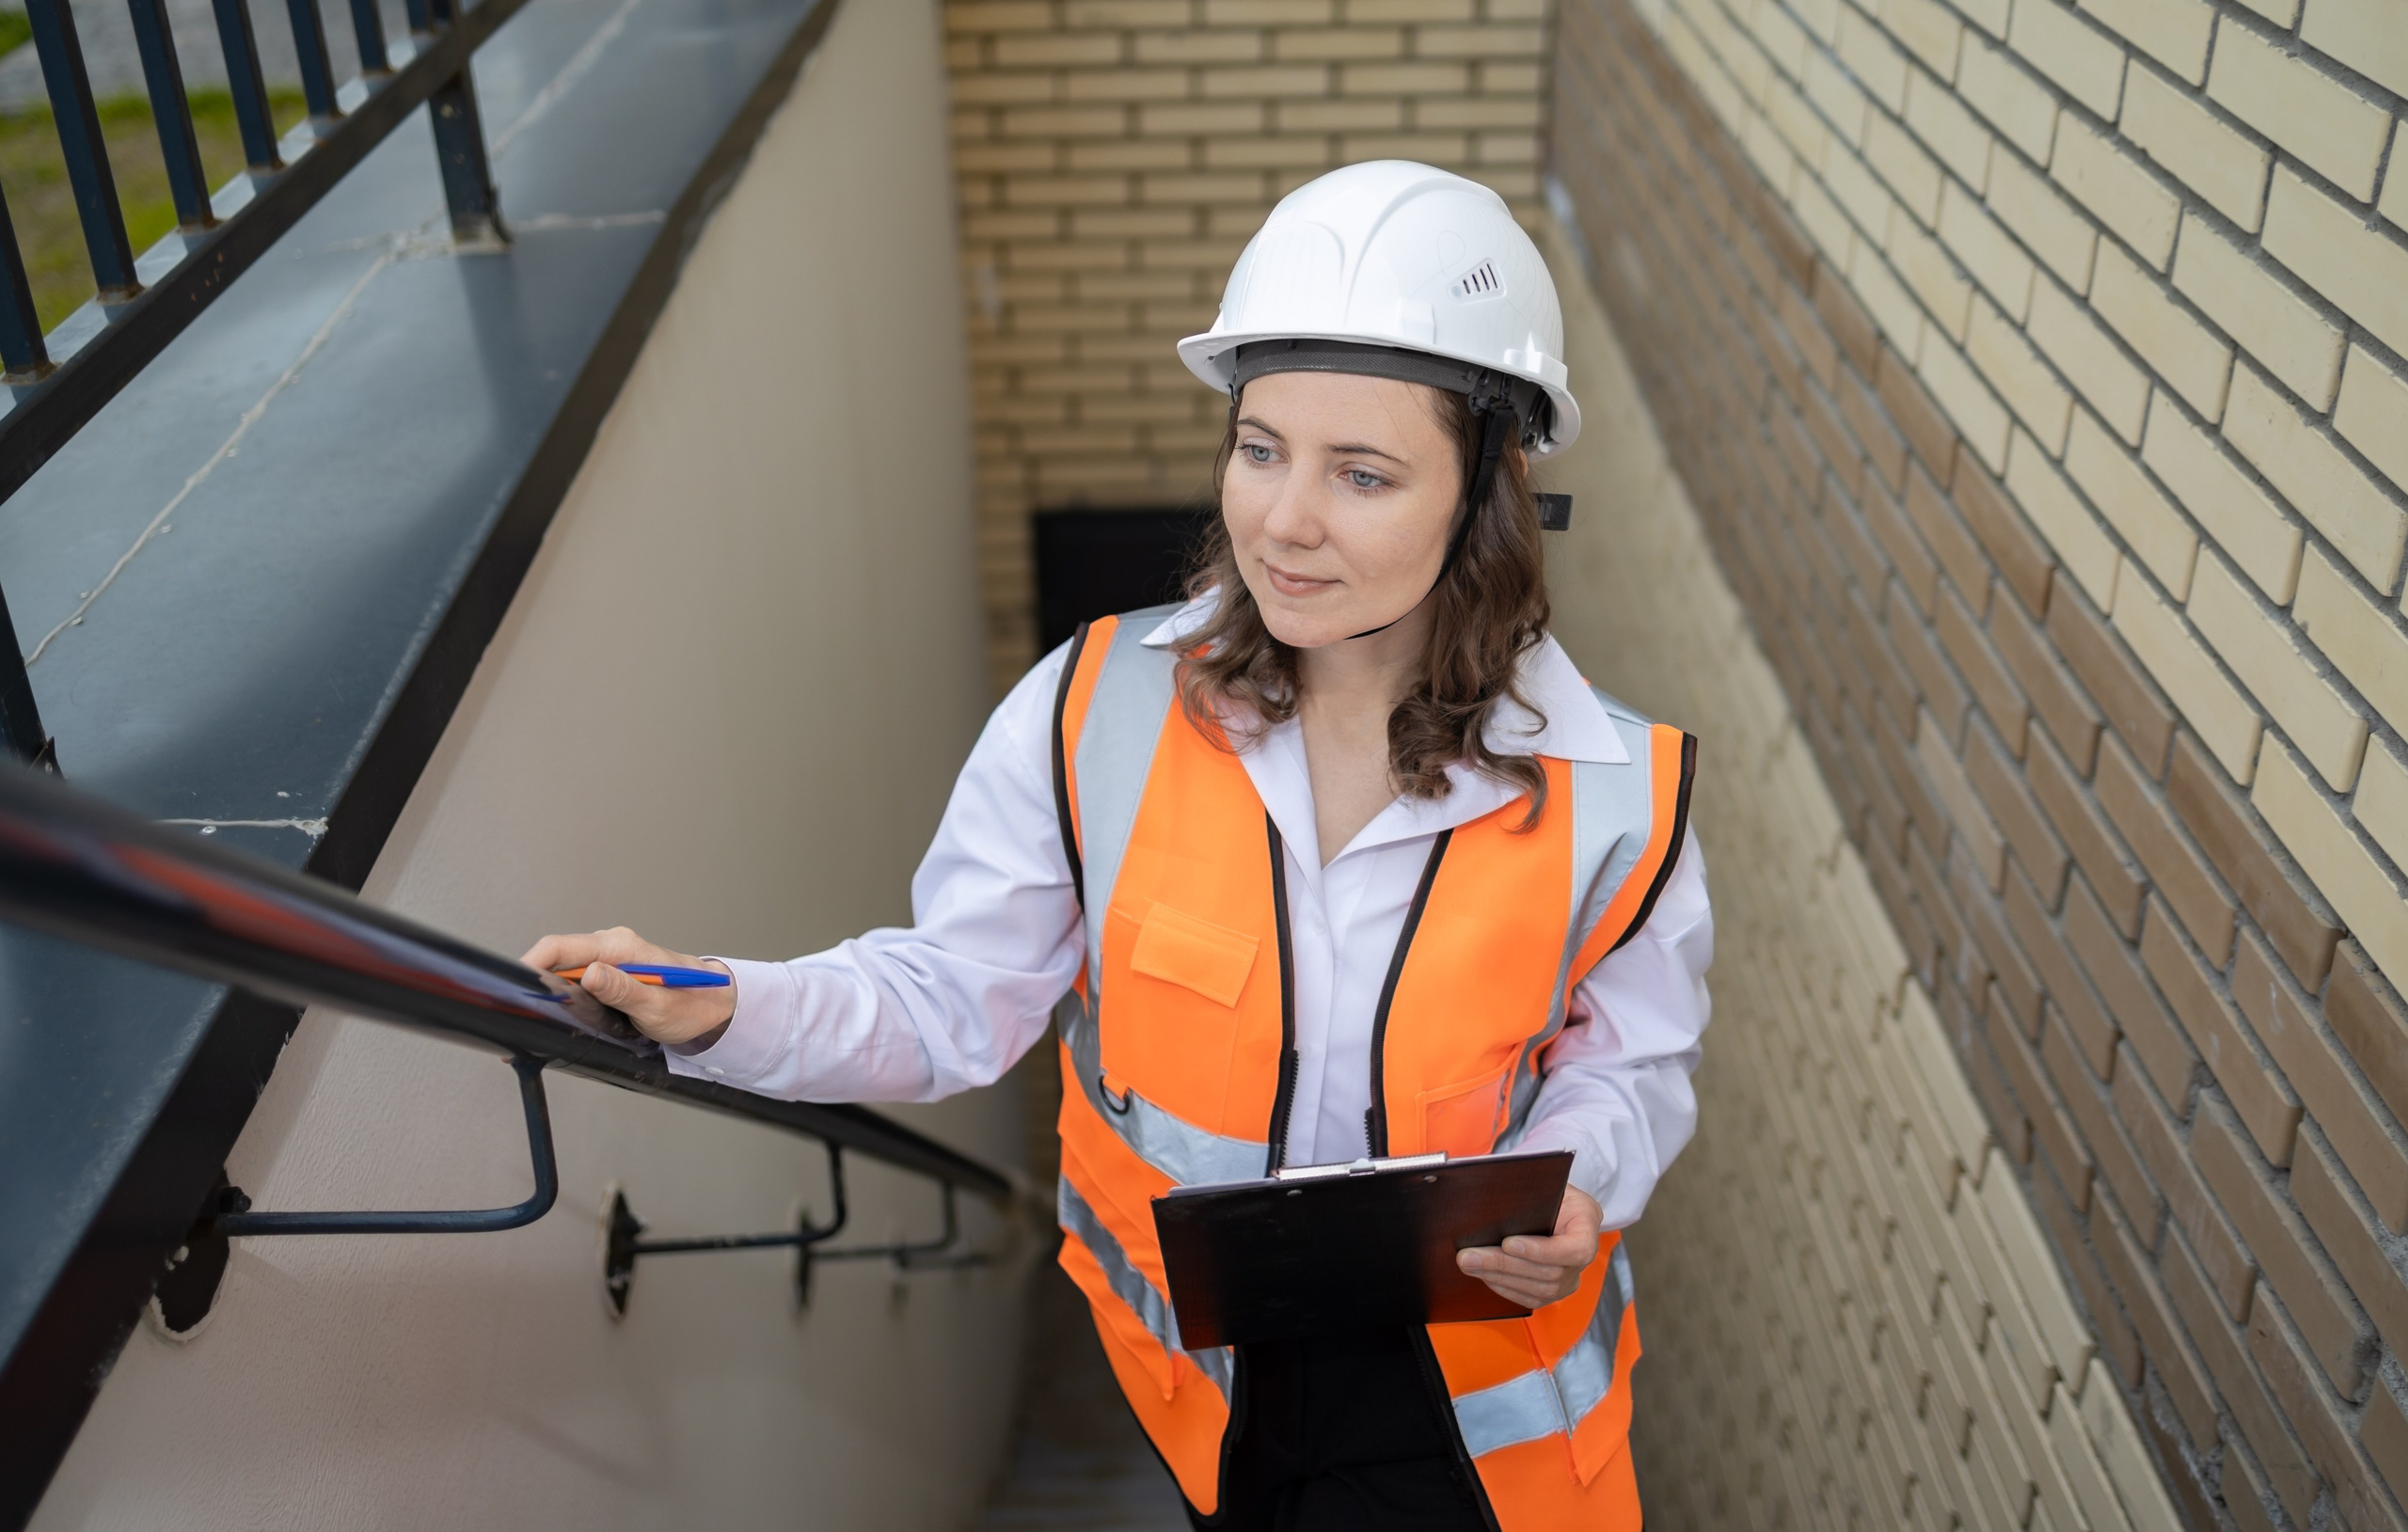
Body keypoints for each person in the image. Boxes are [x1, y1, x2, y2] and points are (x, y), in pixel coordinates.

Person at [524, 161, 1711, 1531]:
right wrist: (722, 1000)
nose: (1285, 519)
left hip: (1477, 1421)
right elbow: (956, 998)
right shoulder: (1090, 714)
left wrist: (1580, 1180)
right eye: (1260, 448)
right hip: (1206, 1400)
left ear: (1486, 494)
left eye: (1363, 472)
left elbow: (1629, 1062)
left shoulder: (1620, 791)